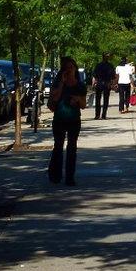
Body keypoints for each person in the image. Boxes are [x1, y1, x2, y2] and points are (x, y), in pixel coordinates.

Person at [47, 58, 87, 186]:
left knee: (72, 148)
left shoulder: (80, 85)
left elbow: (83, 105)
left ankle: (70, 177)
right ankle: (55, 175)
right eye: (66, 68)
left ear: (75, 69)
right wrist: (62, 83)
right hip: (59, 119)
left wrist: (77, 99)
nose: (69, 70)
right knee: (58, 146)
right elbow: (55, 97)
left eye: (71, 67)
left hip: (74, 120)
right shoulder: (58, 83)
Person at [91, 54, 114, 120]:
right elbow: (113, 76)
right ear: (107, 58)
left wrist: (94, 83)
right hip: (107, 83)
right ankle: (104, 115)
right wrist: (112, 84)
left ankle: (97, 115)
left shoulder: (98, 65)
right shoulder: (110, 66)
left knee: (98, 100)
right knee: (106, 100)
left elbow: (94, 75)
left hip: (99, 83)